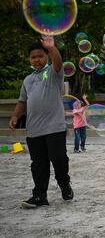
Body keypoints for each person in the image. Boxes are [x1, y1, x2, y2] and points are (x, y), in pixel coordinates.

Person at [9, 35, 73, 208]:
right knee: (38, 164)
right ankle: (39, 196)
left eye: (40, 55)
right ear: (29, 59)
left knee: (58, 159)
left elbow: (58, 63)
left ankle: (64, 184)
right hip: (34, 129)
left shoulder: (52, 73)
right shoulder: (27, 80)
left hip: (55, 127)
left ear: (46, 57)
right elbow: (22, 101)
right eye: (33, 56)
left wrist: (52, 48)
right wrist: (15, 116)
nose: (37, 59)